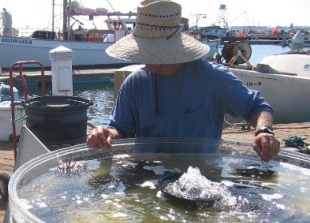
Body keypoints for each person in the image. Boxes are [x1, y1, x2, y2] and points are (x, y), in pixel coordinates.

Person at [87, 0, 280, 162]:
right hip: (147, 177)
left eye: (153, 50)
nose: (146, 57)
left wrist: (264, 131)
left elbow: (257, 107)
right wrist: (106, 135)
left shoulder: (212, 78)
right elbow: (121, 130)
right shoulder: (134, 83)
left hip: (201, 178)